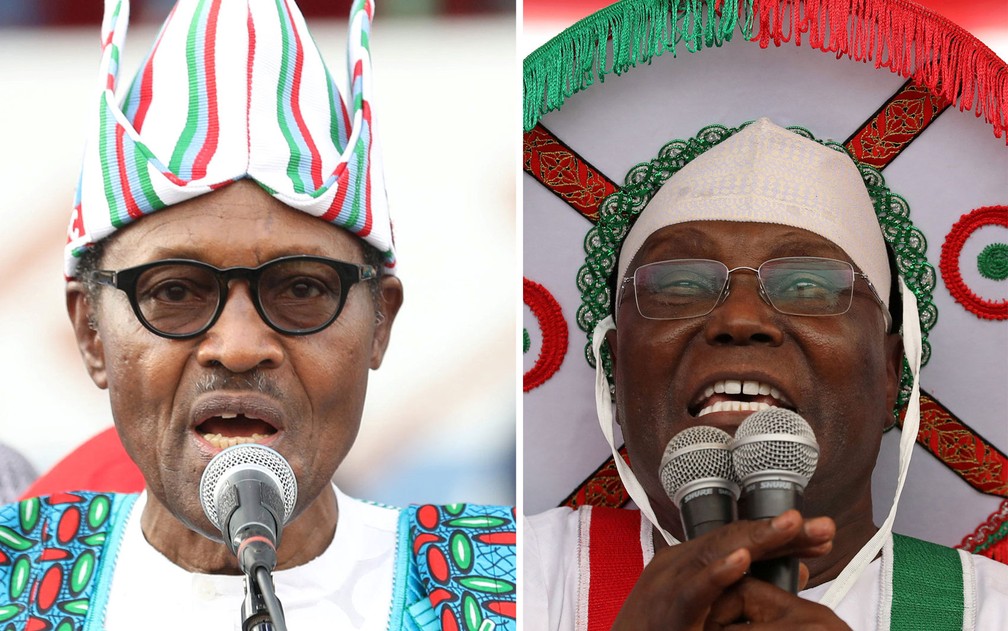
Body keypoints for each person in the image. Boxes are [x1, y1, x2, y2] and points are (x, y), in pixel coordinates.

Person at [0, 1, 515, 630]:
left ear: (380, 323)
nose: (240, 347)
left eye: (300, 288)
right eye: (174, 292)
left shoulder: (522, 586)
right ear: (91, 334)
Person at [523, 118, 1008, 629]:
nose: (739, 318)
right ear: (616, 370)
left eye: (807, 286)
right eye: (681, 285)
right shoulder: (505, 576)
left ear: (891, 374)